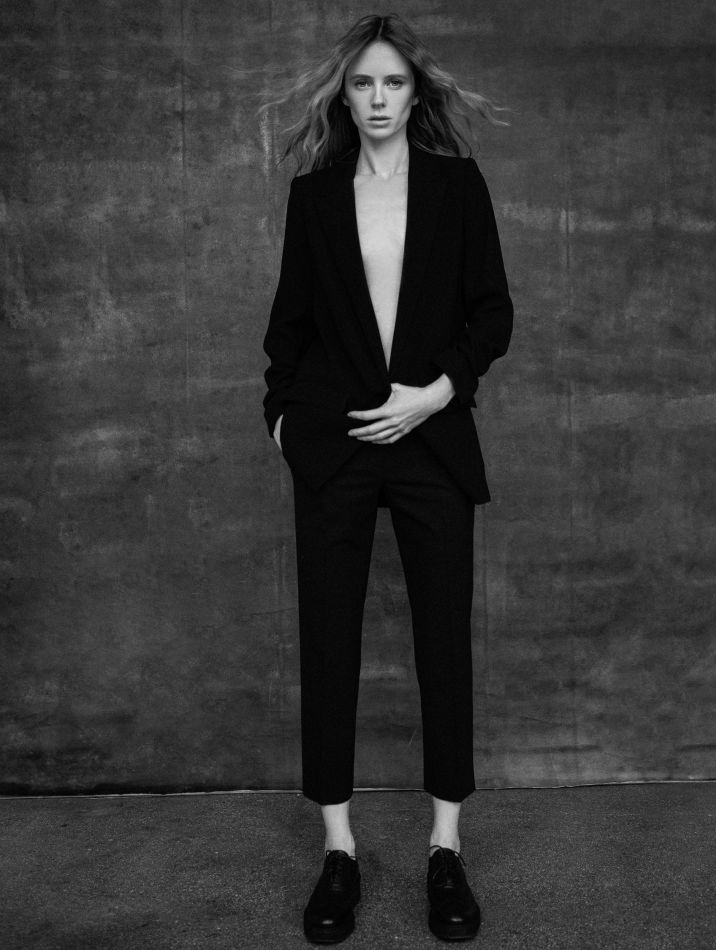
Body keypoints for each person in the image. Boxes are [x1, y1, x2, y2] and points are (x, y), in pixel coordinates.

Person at [261, 13, 513, 944]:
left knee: (443, 641)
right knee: (328, 642)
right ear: (345, 94)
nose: (376, 99)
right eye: (362, 83)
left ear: (416, 94)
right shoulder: (314, 197)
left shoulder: (456, 185)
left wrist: (436, 394)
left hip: (431, 444)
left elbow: (493, 313)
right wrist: (284, 423)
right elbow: (288, 330)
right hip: (334, 447)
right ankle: (340, 850)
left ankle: (446, 847)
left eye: (393, 83)